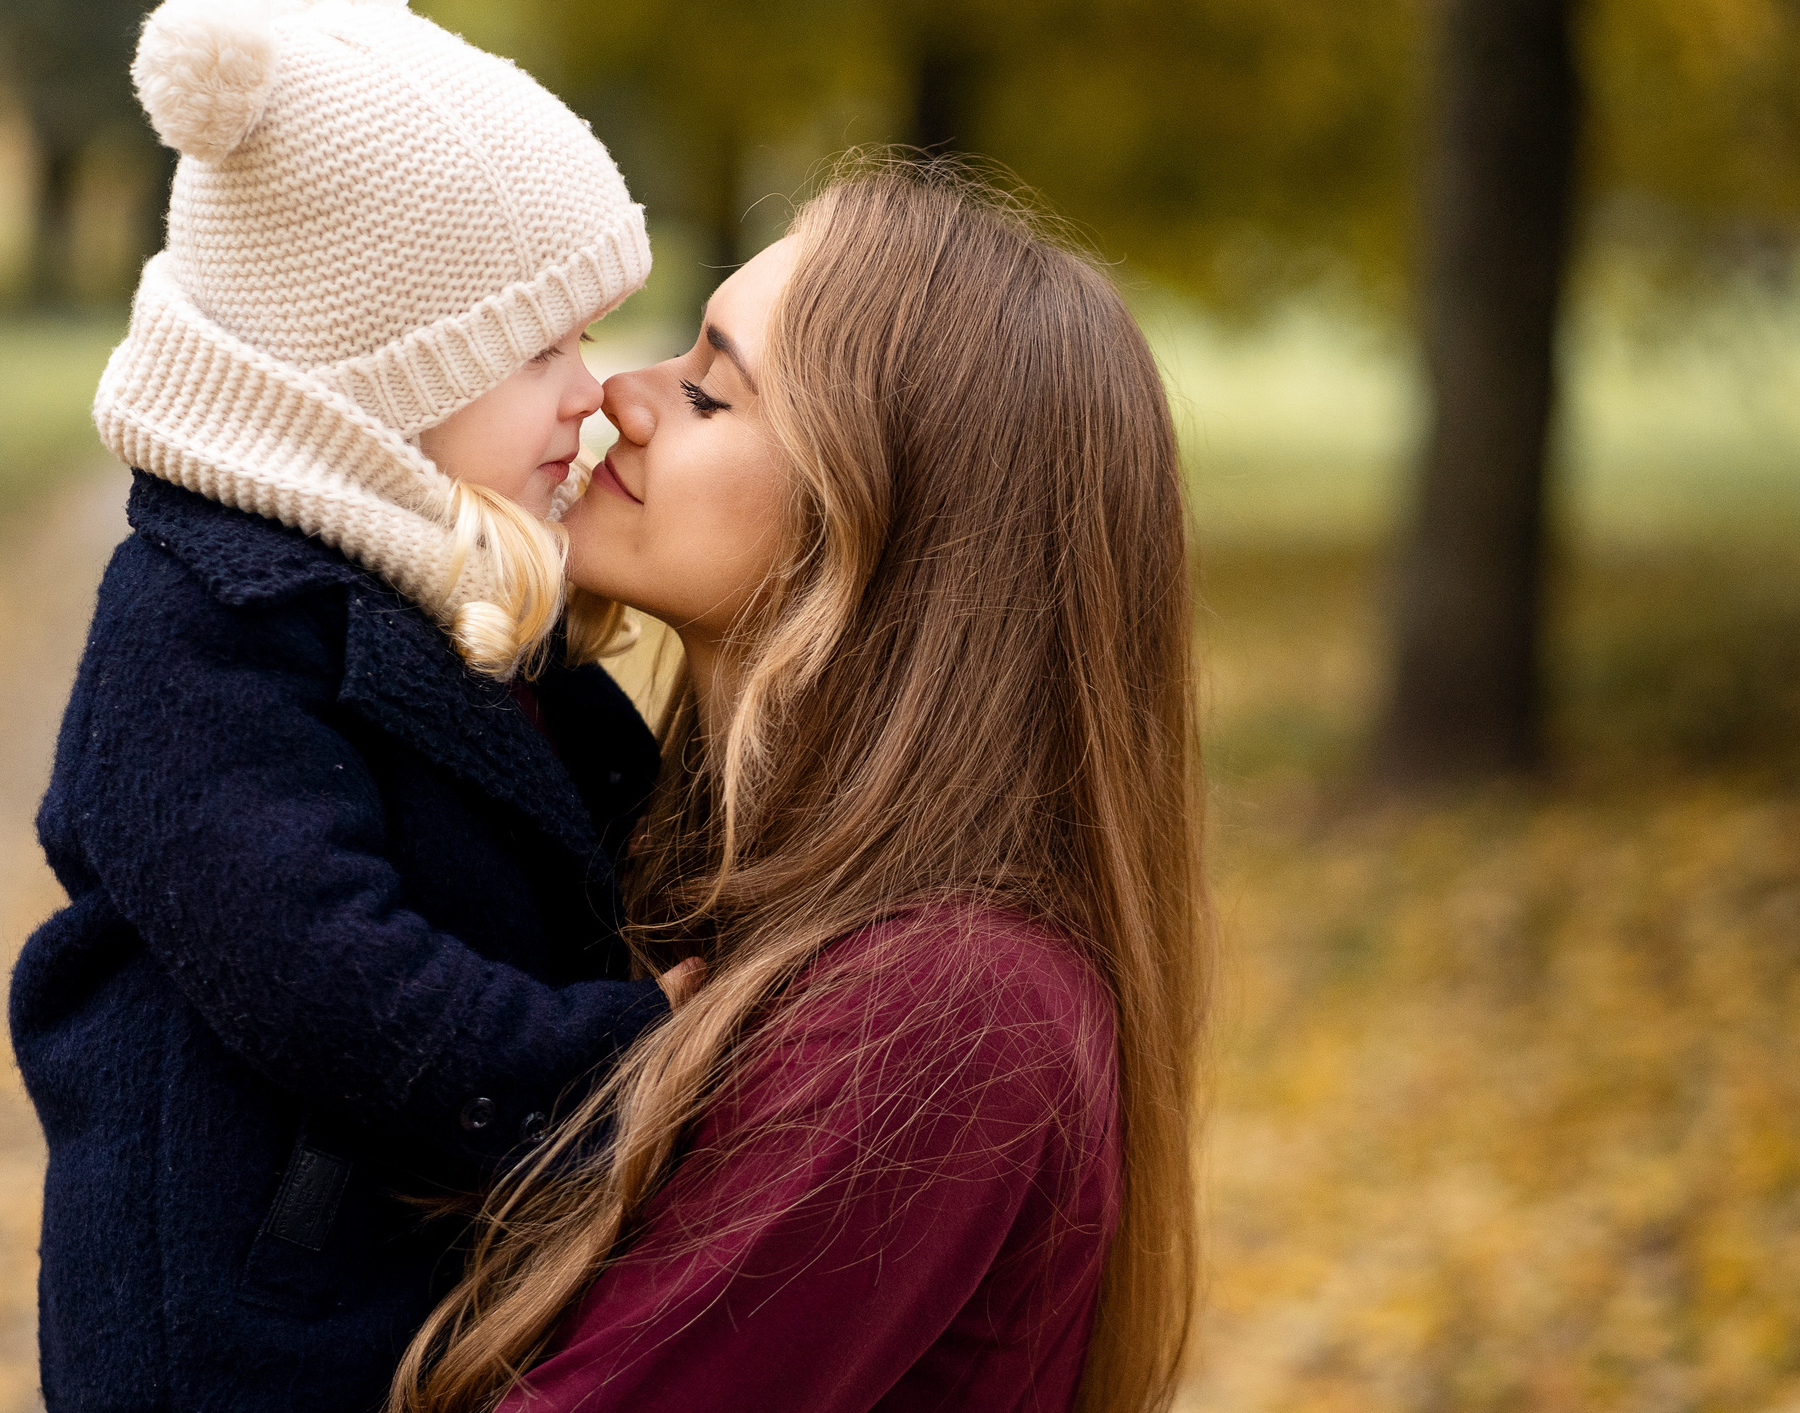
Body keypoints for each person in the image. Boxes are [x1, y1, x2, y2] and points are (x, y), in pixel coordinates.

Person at [393, 158, 1210, 1413]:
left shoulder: (950, 1011)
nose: (622, 392)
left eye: (712, 391)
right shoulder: (679, 858)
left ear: (882, 531)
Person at [8, 0, 690, 1413]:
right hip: (238, 1338)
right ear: (367, 384)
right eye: (537, 348)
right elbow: (331, 976)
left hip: (385, 1301)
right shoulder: (198, 622)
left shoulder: (412, 579)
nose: (593, 389)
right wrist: (637, 1065)